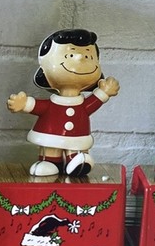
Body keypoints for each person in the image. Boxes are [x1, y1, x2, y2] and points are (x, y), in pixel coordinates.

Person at [7, 28, 119, 178]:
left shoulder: (82, 105)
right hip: (50, 136)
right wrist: (24, 104)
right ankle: (49, 162)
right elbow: (39, 107)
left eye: (88, 56)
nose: (80, 58)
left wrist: (104, 92)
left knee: (78, 150)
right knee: (50, 150)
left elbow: (93, 103)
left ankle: (77, 161)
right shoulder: (52, 105)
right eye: (70, 55)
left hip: (78, 138)